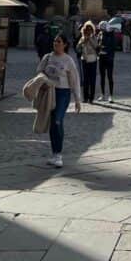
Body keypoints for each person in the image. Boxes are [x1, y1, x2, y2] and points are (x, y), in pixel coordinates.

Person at [38, 34, 81, 166]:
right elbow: (39, 72)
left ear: (65, 44)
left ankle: (59, 155)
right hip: (50, 92)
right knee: (52, 122)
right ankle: (55, 154)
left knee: (57, 120)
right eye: (55, 41)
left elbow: (74, 80)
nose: (56, 43)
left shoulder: (68, 60)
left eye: (59, 41)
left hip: (63, 93)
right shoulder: (47, 57)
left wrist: (77, 99)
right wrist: (43, 81)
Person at [76, 21, 99, 104]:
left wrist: (90, 40)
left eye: (90, 29)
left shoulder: (94, 37)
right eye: (87, 29)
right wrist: (83, 42)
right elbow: (77, 48)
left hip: (93, 59)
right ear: (84, 30)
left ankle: (91, 98)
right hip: (85, 59)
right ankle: (85, 97)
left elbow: (96, 46)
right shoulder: (82, 38)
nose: (88, 31)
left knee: (92, 79)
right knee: (86, 79)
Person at [97, 20, 117, 101]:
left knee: (110, 77)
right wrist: (98, 50)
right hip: (101, 57)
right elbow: (98, 45)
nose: (101, 30)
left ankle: (111, 96)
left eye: (102, 28)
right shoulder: (100, 34)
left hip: (109, 58)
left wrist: (105, 50)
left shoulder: (111, 34)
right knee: (102, 77)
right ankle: (102, 94)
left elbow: (113, 47)